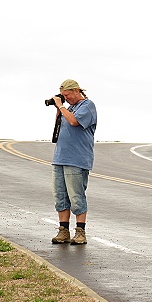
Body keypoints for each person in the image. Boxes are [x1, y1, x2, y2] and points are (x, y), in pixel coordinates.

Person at [50, 79, 97, 245]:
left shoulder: (87, 106)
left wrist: (61, 107)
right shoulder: (68, 108)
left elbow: (74, 122)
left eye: (67, 95)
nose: (66, 98)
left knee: (76, 196)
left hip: (77, 159)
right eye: (63, 96)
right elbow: (60, 125)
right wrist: (59, 108)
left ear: (77, 91)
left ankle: (80, 232)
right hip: (60, 157)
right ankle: (63, 231)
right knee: (61, 196)